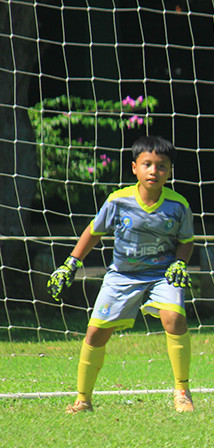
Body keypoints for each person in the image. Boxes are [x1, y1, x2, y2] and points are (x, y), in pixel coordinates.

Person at [47, 135, 195, 413]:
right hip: (122, 276)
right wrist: (71, 262)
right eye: (148, 164)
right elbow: (94, 231)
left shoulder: (178, 205)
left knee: (174, 318)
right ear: (134, 168)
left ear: (170, 171)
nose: (154, 171)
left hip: (162, 274)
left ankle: (182, 392)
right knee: (95, 334)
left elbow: (187, 240)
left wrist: (180, 263)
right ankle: (83, 399)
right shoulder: (118, 201)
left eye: (162, 166)